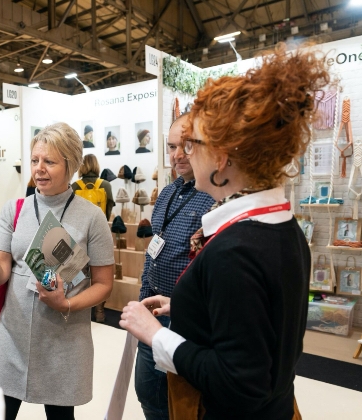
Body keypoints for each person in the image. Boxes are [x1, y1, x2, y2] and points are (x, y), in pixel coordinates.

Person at [121, 44, 329, 419]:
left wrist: (156, 335)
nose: (184, 153)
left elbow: (240, 384)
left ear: (220, 156)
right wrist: (189, 305)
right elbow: (262, 326)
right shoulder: (282, 227)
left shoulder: (235, 250)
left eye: (192, 144)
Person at [0, 122, 115, 420]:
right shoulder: (16, 208)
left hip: (64, 340)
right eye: (35, 160)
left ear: (71, 164)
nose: (39, 169)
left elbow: (103, 284)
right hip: (12, 337)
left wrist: (68, 303)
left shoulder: (91, 217)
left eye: (49, 161)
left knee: (61, 417)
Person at [134, 113, 214, 420]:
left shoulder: (214, 198)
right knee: (149, 394)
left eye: (186, 146)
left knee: (184, 403)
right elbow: (151, 253)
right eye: (171, 147)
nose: (177, 155)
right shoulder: (166, 193)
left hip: (187, 320)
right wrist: (141, 300)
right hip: (153, 309)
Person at [71, 153, 116, 323]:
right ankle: (99, 310)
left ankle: (81, 307)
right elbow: (109, 210)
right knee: (101, 276)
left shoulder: (74, 186)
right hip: (100, 234)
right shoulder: (105, 185)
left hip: (78, 236)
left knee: (78, 273)